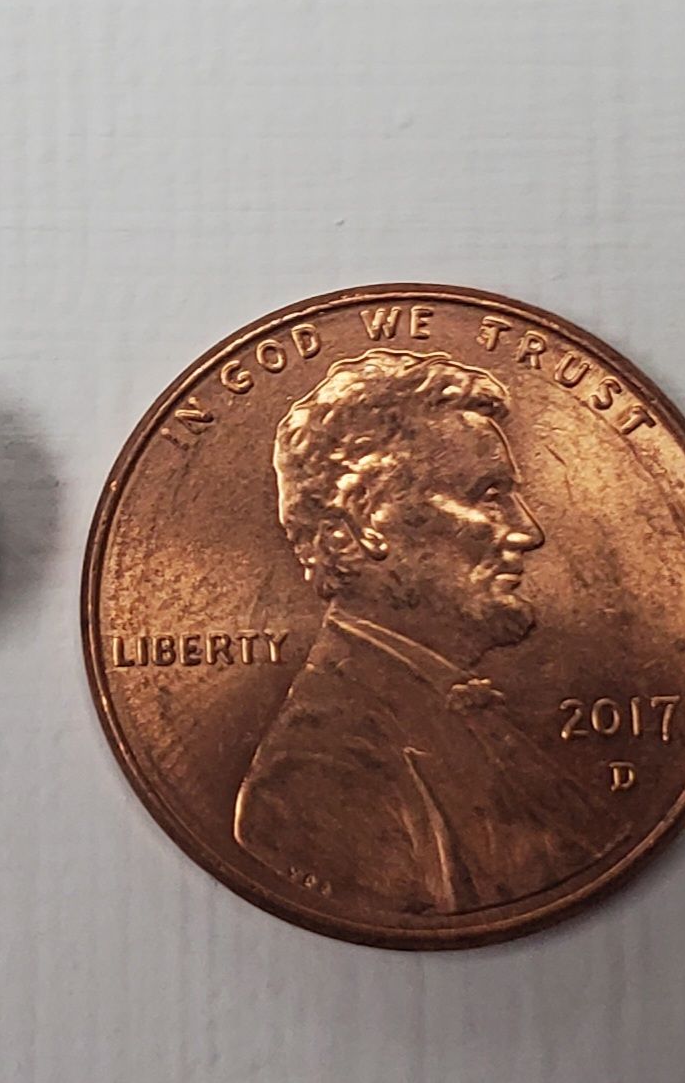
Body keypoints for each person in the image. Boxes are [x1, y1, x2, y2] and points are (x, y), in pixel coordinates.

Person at [233, 350, 625, 916]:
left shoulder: (458, 714)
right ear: (362, 524)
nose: (528, 531)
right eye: (487, 495)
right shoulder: (318, 777)